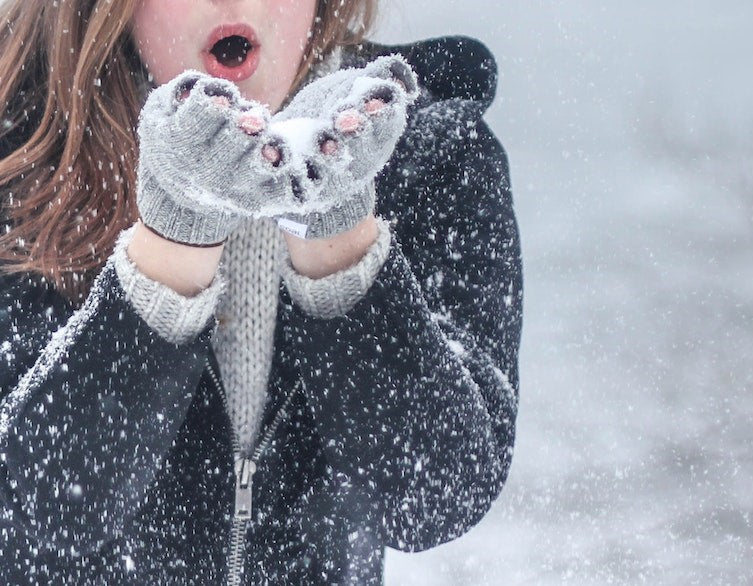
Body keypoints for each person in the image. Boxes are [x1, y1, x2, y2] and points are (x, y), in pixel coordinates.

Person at [0, 0, 522, 583]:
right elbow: (36, 512)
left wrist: (340, 235)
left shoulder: (429, 152)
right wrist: (172, 245)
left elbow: (437, 497)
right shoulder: (20, 164)